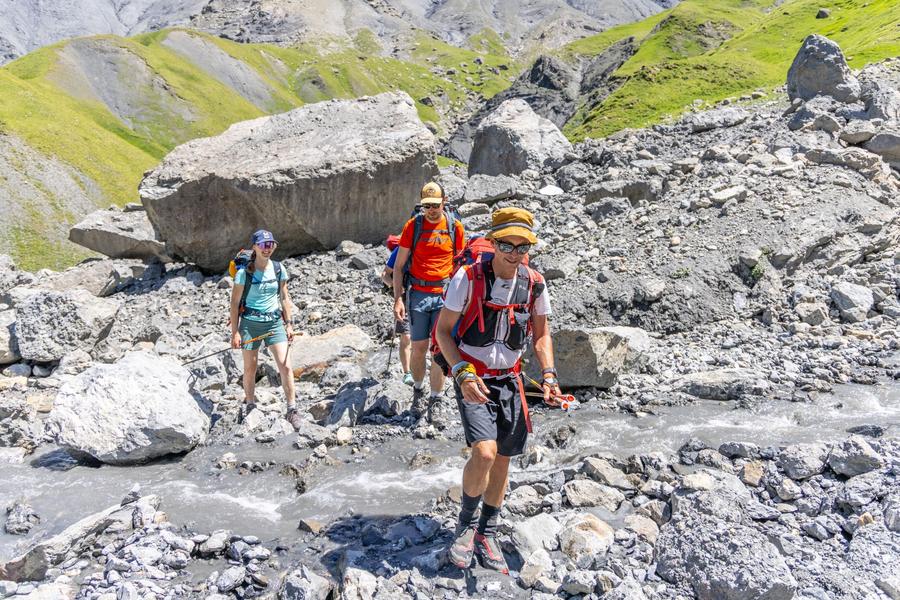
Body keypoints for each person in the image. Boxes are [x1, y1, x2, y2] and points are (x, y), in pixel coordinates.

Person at [434, 207, 560, 574]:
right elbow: (443, 332)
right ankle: (466, 526)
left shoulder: (534, 282)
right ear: (493, 242)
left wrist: (549, 375)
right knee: (485, 453)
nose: (515, 253)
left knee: (504, 455)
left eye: (523, 246)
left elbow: (541, 334)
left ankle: (488, 531)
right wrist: (460, 371)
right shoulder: (466, 278)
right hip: (472, 375)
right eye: (507, 244)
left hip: (512, 378)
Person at [393, 182, 465, 419]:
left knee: (440, 349)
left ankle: (435, 398)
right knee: (419, 347)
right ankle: (418, 389)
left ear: (445, 201)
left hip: (445, 294)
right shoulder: (413, 226)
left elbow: (462, 266)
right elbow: (398, 266)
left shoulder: (455, 227)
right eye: (427, 206)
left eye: (435, 205)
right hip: (418, 294)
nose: (432, 210)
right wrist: (398, 299)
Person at [229, 229, 301, 429]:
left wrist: (289, 324)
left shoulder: (279, 269)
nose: (267, 249)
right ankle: (250, 404)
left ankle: (292, 409)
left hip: (275, 323)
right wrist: (235, 332)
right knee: (250, 368)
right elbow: (234, 304)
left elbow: (285, 298)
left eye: (270, 245)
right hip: (250, 325)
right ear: (255, 247)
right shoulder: (244, 273)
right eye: (263, 245)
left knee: (285, 365)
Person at [381, 235, 413, 386]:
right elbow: (385, 274)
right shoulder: (401, 249)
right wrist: (397, 290)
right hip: (404, 297)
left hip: (424, 294)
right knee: (406, 336)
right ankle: (407, 373)